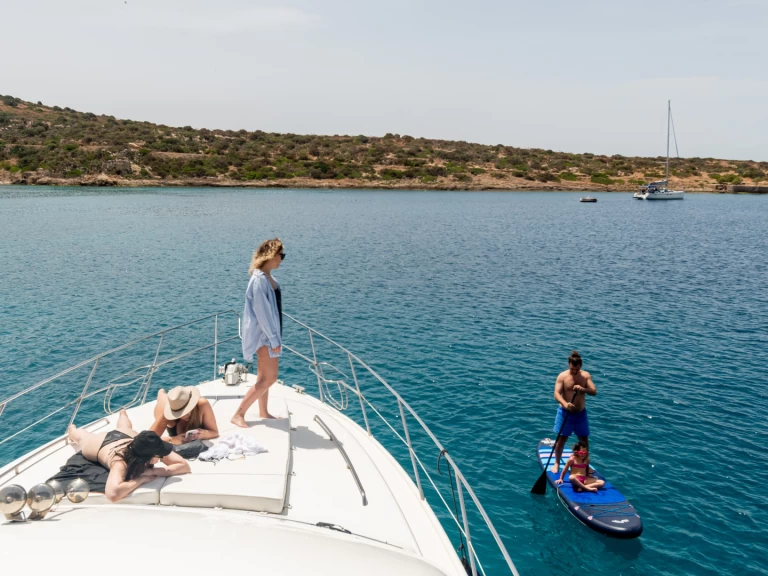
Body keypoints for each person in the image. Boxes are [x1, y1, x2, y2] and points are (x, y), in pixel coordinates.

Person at [66, 409, 190, 502]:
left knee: (125, 427)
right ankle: (72, 430)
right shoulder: (120, 463)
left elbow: (184, 466)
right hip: (102, 445)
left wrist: (154, 471)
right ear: (151, 457)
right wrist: (140, 479)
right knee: (84, 438)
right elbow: (113, 494)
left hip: (127, 438)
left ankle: (123, 413)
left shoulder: (149, 447)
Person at [232, 238, 285, 427]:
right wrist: (273, 339)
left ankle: (263, 411)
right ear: (272, 255)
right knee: (270, 378)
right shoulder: (259, 281)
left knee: (263, 377)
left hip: (270, 335)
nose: (282, 259)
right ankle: (239, 414)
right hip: (265, 337)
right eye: (281, 255)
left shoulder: (268, 277)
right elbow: (262, 313)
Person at [550, 350, 597, 474]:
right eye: (572, 369)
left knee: (584, 441)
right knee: (561, 440)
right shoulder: (562, 376)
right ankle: (556, 463)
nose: (574, 372)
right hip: (565, 414)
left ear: (580, 366)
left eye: (576, 370)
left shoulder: (586, 376)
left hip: (580, 414)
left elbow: (593, 391)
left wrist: (583, 389)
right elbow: (556, 394)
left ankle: (585, 464)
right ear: (569, 365)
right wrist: (565, 404)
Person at [149, 386, 219, 444]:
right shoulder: (166, 414)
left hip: (178, 401)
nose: (183, 415)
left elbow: (215, 432)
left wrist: (204, 434)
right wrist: (172, 439)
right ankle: (161, 392)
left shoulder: (202, 404)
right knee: (162, 396)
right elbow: (147, 441)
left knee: (176, 399)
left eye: (186, 411)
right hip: (163, 404)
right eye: (178, 413)